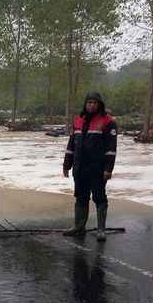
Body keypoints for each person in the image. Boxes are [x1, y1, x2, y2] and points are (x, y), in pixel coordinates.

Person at [62, 92, 117, 241]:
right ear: (85, 104)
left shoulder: (108, 122)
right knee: (80, 197)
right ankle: (79, 227)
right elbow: (71, 144)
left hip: (97, 168)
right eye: (89, 102)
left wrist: (108, 169)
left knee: (99, 198)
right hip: (79, 167)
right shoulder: (79, 120)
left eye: (95, 102)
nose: (91, 105)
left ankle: (101, 230)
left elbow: (111, 149)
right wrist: (67, 165)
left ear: (99, 104)